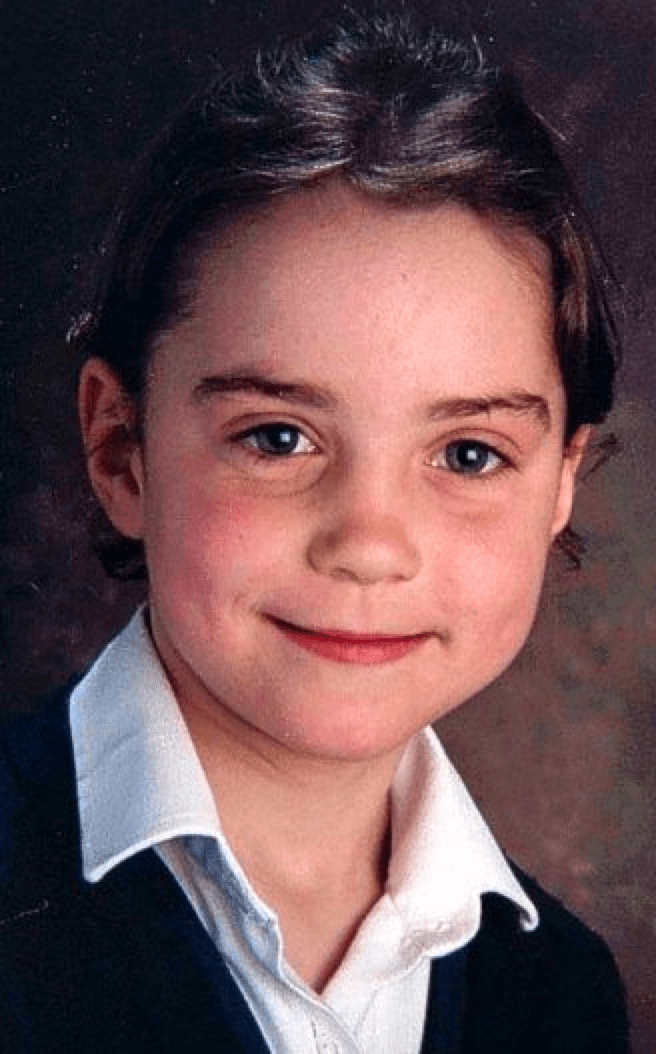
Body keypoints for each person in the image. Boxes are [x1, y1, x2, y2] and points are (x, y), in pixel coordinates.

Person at [0, 7, 629, 1052]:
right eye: (278, 437)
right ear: (121, 451)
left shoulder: (561, 992)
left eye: (468, 454)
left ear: (559, 481)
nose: (369, 545)